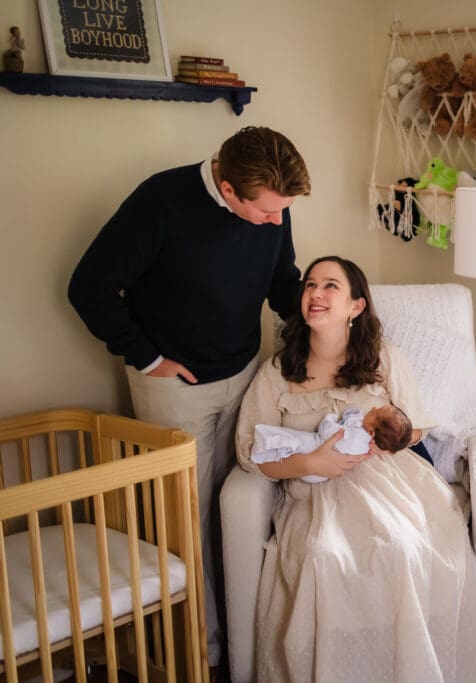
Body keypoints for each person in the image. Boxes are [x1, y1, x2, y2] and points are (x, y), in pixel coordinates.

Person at [67, 126, 310, 670]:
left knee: (243, 506)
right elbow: (89, 287)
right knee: (187, 523)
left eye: (283, 212)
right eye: (268, 213)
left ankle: (250, 640)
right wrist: (147, 358)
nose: (277, 221)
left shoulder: (273, 204)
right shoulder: (160, 202)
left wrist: (328, 317)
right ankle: (204, 656)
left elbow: (281, 282)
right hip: (174, 388)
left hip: (245, 373)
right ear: (228, 190)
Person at [235, 256, 476, 682]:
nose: (316, 293)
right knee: (323, 557)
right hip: (314, 492)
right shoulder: (277, 372)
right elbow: (248, 451)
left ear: (356, 306)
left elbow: (416, 426)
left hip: (389, 481)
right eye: (310, 285)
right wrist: (312, 462)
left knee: (402, 549)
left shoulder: (385, 358)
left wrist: (378, 434)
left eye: (331, 285)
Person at [251, 404, 413, 482]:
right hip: (315, 467)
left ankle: (264, 446)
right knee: (292, 442)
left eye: (374, 413)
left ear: (371, 433)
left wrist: (331, 418)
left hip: (316, 451)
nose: (372, 407)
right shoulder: (362, 441)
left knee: (292, 441)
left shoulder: (357, 438)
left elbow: (328, 432)